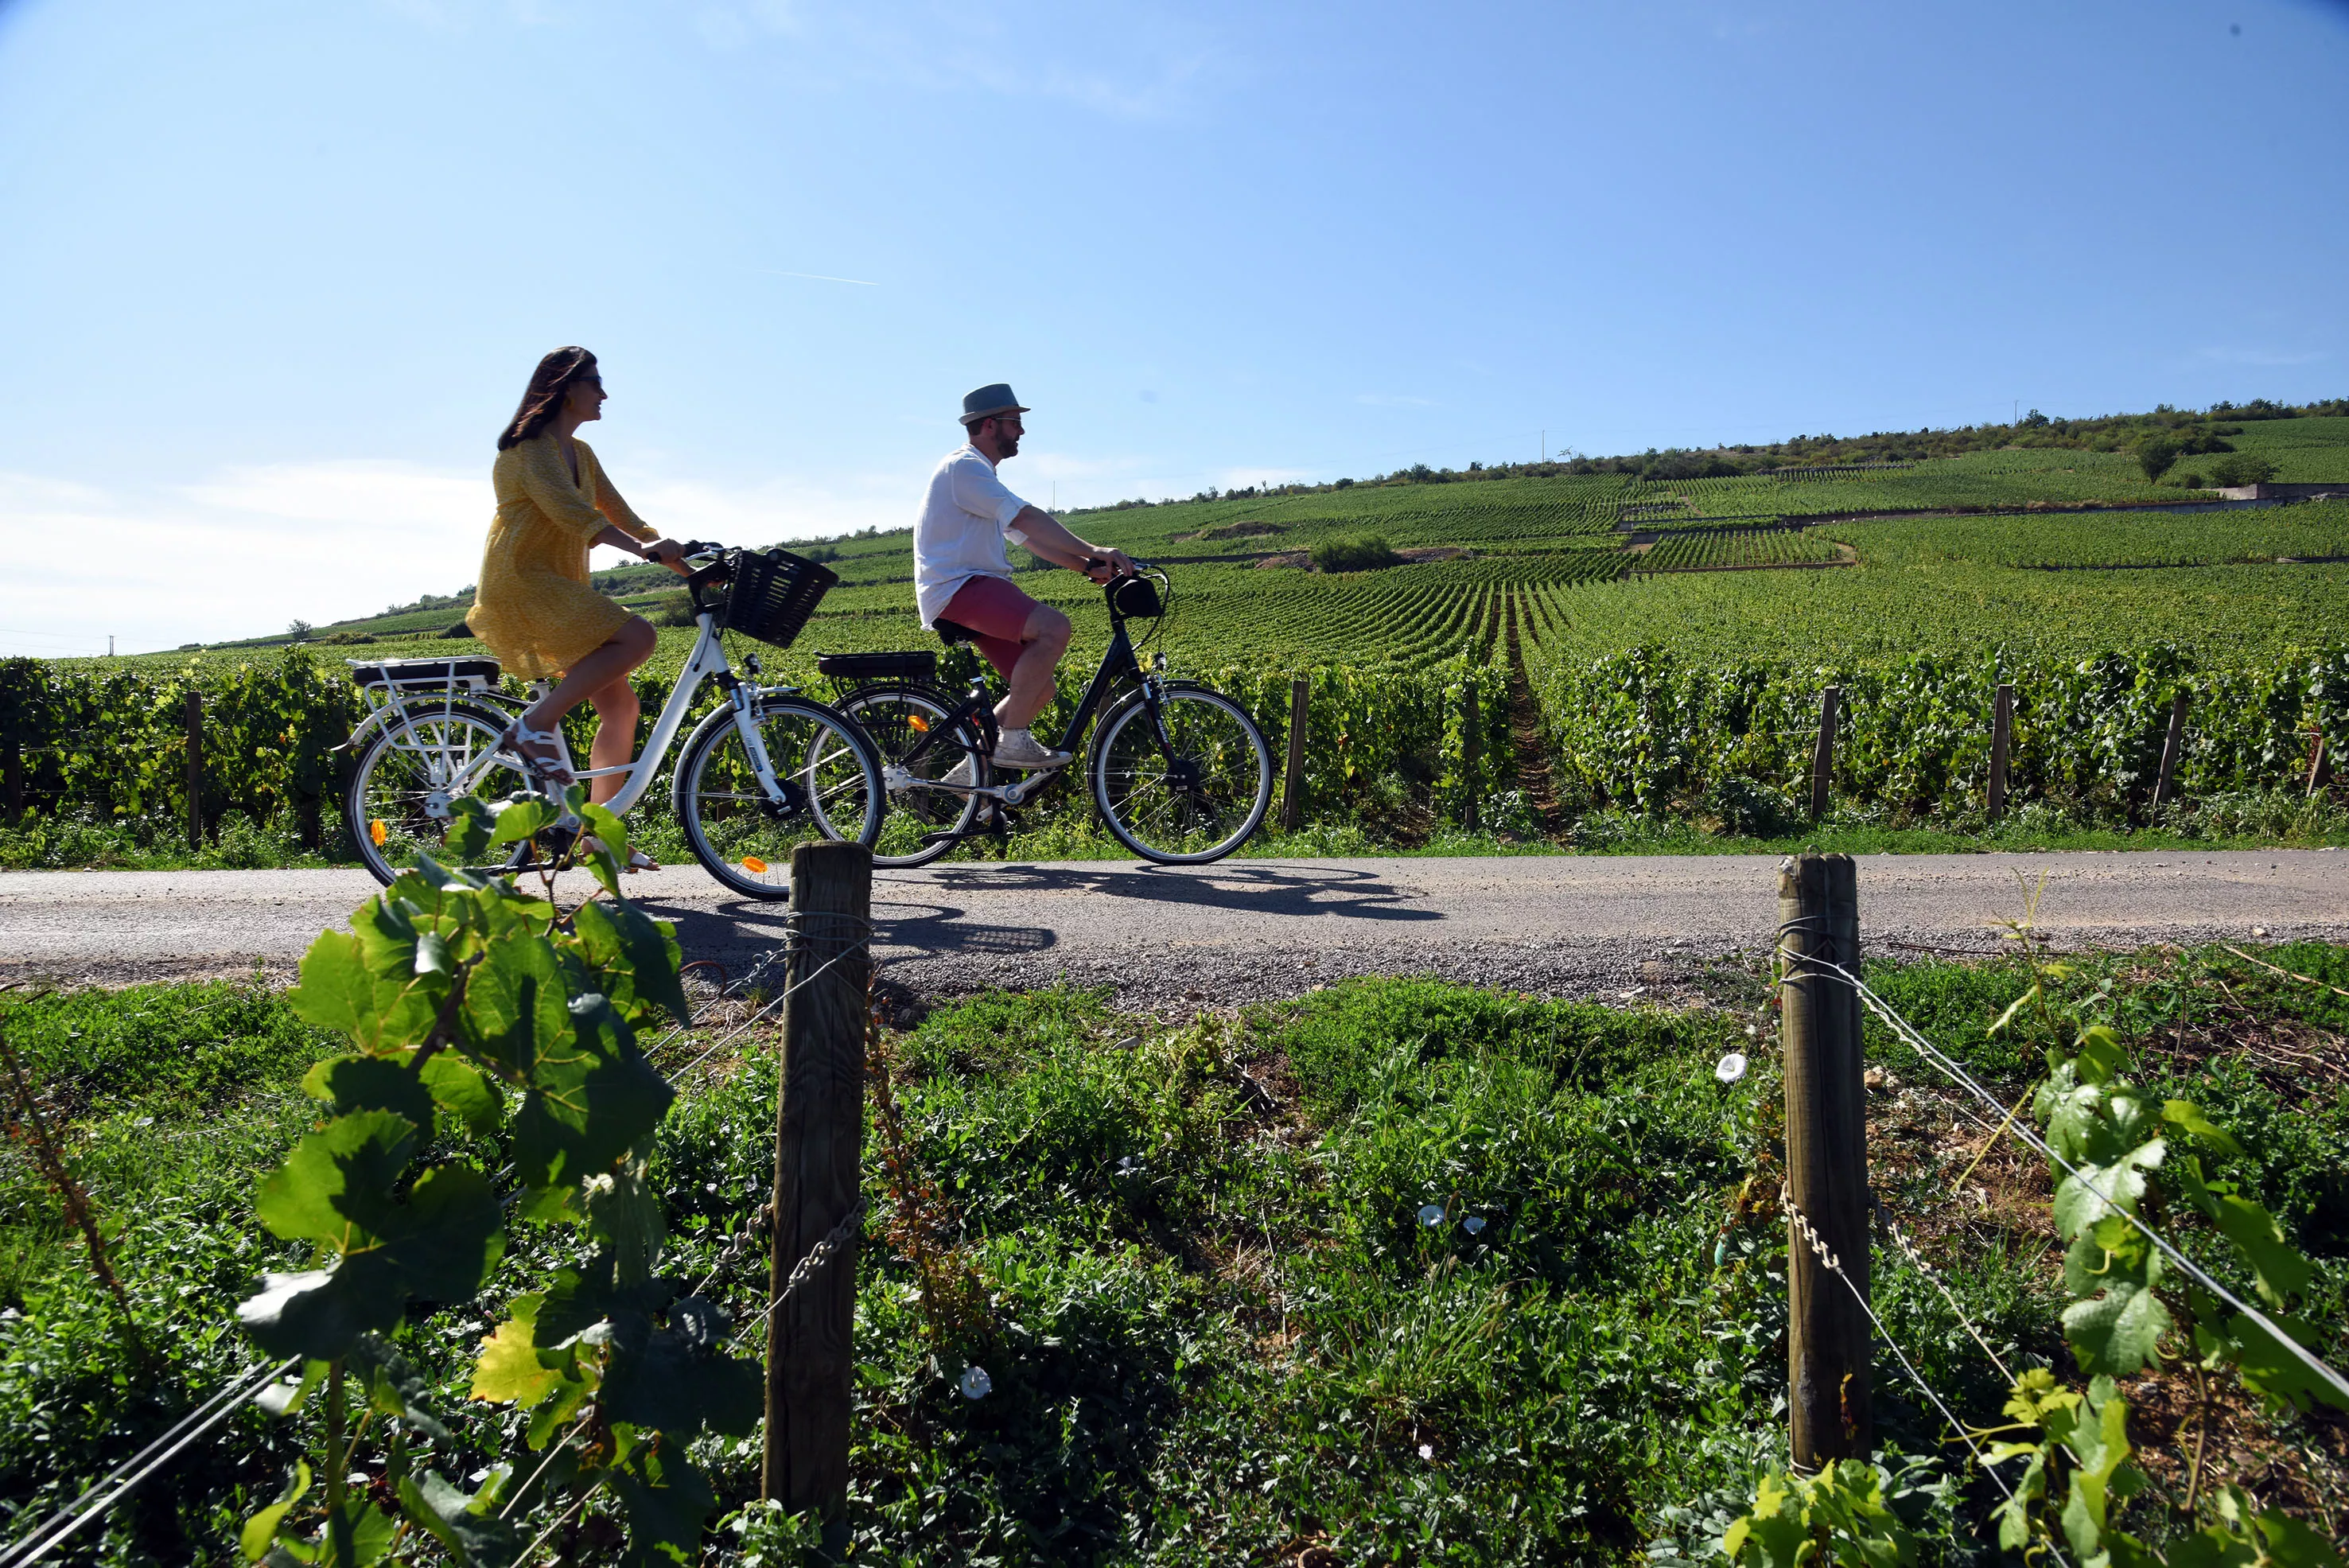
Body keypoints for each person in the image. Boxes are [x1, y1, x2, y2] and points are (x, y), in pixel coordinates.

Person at [465, 347, 694, 862]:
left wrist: (686, 566)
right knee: (639, 636)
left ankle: (597, 832)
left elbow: (624, 515)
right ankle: (533, 725)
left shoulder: (582, 454)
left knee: (622, 705)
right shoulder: (528, 450)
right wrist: (641, 550)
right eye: (596, 383)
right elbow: (572, 514)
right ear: (568, 387)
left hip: (559, 585)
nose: (604, 394)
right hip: (522, 581)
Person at [913, 383, 1134, 769]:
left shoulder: (979, 475)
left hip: (971, 588)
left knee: (1038, 689)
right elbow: (1027, 518)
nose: (1022, 431)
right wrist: (1094, 550)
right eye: (1014, 422)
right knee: (1053, 627)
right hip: (959, 588)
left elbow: (1028, 538)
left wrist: (1085, 566)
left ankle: (971, 779)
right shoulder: (963, 467)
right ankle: (1012, 743)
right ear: (988, 426)